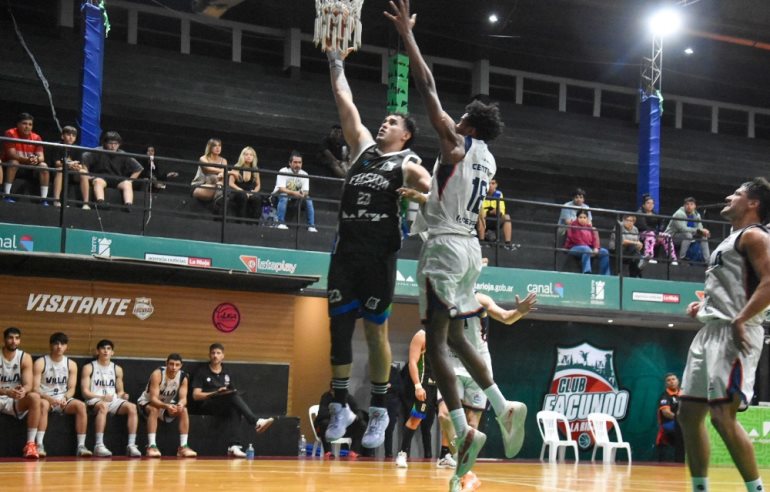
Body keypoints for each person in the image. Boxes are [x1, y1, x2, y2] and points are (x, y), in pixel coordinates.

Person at [386, 3, 526, 489]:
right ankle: (503, 405)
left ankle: (465, 431)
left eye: (460, 116)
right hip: (468, 248)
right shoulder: (488, 159)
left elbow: (427, 86)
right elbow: (453, 192)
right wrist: (423, 197)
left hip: (444, 249)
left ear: (467, 122)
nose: (454, 119)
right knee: (463, 336)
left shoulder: (456, 143)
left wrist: (408, 37)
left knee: (438, 341)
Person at [321, 16, 431, 454]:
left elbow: (432, 187)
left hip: (378, 254)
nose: (383, 124)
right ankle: (341, 406)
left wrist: (421, 195)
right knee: (338, 329)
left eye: (392, 121)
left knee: (374, 332)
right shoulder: (364, 149)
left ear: (406, 134)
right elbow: (344, 100)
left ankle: (381, 408)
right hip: (345, 251)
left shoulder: (407, 162)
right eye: (383, 120)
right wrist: (335, 60)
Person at [678, 178, 770, 492]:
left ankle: (756, 489)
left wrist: (741, 317)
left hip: (736, 332)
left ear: (753, 203)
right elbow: (735, 287)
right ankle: (700, 488)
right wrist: (705, 306)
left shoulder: (754, 235)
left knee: (721, 416)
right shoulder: (729, 240)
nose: (729, 197)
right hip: (712, 330)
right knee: (688, 414)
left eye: (737, 194)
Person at [436, 290, 537, 489]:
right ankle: (462, 466)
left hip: (477, 366)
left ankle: (461, 476)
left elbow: (506, 317)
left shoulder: (479, 299)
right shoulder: (440, 298)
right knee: (444, 415)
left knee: (472, 424)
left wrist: (519, 311)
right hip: (452, 365)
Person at [191, 343, 274, 457]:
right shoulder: (202, 371)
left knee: (235, 406)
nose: (215, 355)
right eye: (213, 353)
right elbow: (196, 395)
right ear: (209, 355)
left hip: (223, 404)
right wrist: (215, 393)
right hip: (207, 405)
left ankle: (234, 446)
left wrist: (226, 393)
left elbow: (232, 391)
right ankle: (256, 421)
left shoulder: (227, 371)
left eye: (218, 353)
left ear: (223, 356)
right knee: (232, 397)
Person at [32, 332, 92, 457]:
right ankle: (39, 444)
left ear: (66, 346)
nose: (59, 346)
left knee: (81, 406)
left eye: (63, 344)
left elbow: (71, 388)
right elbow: (35, 388)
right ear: (50, 345)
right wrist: (49, 398)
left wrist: (65, 398)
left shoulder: (71, 364)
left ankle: (81, 446)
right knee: (42, 404)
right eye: (56, 343)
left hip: (62, 398)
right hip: (45, 397)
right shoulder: (41, 362)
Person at [80, 339, 141, 457]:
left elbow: (120, 391)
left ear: (112, 352)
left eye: (108, 349)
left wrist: (123, 395)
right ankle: (98, 445)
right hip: (94, 399)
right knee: (103, 406)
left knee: (132, 407)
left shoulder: (117, 369)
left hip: (112, 400)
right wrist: (101, 397)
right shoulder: (89, 367)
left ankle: (131, 445)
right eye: (103, 348)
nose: (106, 351)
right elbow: (85, 392)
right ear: (97, 351)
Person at [136, 353, 197, 457]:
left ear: (181, 365)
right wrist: (167, 406)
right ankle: (151, 446)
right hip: (146, 402)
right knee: (154, 409)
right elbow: (153, 399)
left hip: (166, 404)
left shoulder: (183, 377)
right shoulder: (158, 374)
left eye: (177, 365)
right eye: (171, 364)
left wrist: (180, 405)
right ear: (166, 363)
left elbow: (183, 399)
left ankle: (183, 447)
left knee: (184, 410)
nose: (174, 367)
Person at [395, 329, 438, 468]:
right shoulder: (421, 336)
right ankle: (402, 453)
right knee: (416, 418)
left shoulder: (446, 337)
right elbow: (412, 362)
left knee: (447, 418)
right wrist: (418, 386)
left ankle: (446, 455)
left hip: (441, 385)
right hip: (425, 385)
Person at [0, 327, 42, 458]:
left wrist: (23, 391)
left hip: (13, 398)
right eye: (10, 338)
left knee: (35, 397)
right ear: (4, 339)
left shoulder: (25, 357)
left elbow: (29, 384)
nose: (14, 341)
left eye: (17, 338)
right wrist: (6, 391)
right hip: (2, 394)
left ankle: (30, 444)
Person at [82, 131, 143, 212]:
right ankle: (100, 202)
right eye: (110, 143)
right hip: (101, 178)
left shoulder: (123, 154)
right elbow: (84, 157)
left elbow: (139, 168)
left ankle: (128, 205)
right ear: (105, 143)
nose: (113, 146)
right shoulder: (98, 151)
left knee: (127, 184)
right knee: (98, 181)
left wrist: (130, 180)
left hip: (117, 179)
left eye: (116, 144)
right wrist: (87, 176)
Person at [2, 112, 50, 204]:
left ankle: (44, 199)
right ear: (18, 124)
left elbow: (41, 157)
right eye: (24, 123)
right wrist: (27, 160)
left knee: (44, 165)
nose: (27, 127)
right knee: (14, 162)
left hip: (30, 168)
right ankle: (6, 195)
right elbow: (11, 154)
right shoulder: (10, 133)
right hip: (12, 166)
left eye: (30, 124)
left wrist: (36, 159)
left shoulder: (36, 137)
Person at [314, 384, 368, 458]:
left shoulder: (348, 397)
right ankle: (328, 452)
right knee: (324, 423)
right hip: (330, 428)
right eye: (333, 391)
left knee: (362, 424)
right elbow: (321, 414)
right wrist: (335, 414)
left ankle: (354, 451)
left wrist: (354, 416)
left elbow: (358, 412)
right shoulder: (326, 397)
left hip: (344, 429)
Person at [272, 151, 316, 232]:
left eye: (299, 162)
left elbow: (306, 191)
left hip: (295, 198)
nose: (297, 165)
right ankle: (280, 223)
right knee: (284, 195)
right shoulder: (283, 171)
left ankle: (311, 226)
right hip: (278, 197)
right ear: (290, 163)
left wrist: (302, 194)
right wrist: (295, 193)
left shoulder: (304, 174)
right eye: (295, 162)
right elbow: (281, 189)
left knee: (308, 199)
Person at [52, 126, 91, 209]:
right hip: (59, 172)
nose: (71, 137)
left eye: (73, 135)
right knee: (60, 170)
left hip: (72, 172)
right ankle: (56, 200)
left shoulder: (77, 148)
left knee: (83, 172)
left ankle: (86, 203)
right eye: (68, 135)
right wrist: (68, 164)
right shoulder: (57, 146)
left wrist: (76, 166)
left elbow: (80, 164)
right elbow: (57, 163)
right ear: (62, 136)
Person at [564, 209, 611, 275]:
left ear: (587, 219)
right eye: (580, 217)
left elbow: (595, 239)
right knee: (586, 249)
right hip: (574, 247)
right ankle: (587, 272)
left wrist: (596, 248)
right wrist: (590, 250)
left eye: (584, 217)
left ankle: (605, 275)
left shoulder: (590, 227)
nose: (582, 219)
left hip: (589, 248)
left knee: (604, 252)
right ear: (577, 218)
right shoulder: (572, 226)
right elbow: (576, 239)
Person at [665, 196, 711, 262]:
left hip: (687, 235)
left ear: (695, 206)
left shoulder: (696, 214)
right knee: (688, 235)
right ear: (684, 206)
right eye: (687, 204)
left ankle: (708, 261)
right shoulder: (679, 213)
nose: (689, 206)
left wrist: (704, 232)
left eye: (691, 204)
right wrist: (698, 230)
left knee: (703, 236)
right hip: (671, 236)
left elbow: (700, 227)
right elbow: (683, 229)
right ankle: (681, 258)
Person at [637, 194, 678, 266]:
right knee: (650, 234)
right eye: (648, 203)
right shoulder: (639, 213)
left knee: (667, 236)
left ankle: (672, 258)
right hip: (641, 234)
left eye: (652, 203)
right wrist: (655, 234)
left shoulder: (654, 213)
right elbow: (643, 226)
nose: (650, 205)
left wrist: (659, 232)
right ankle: (649, 257)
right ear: (643, 204)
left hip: (654, 233)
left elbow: (662, 223)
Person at [476, 178, 514, 249]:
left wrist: (498, 211)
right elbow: (480, 208)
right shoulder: (481, 192)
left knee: (507, 217)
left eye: (493, 183)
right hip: (482, 219)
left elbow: (502, 209)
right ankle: (482, 242)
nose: (490, 185)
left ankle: (507, 244)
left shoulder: (499, 194)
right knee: (481, 214)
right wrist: (490, 212)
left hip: (495, 219)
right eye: (488, 183)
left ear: (496, 185)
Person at [227, 146, 261, 222]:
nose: (249, 156)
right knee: (242, 196)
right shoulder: (237, 167)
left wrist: (254, 192)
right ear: (243, 156)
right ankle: (240, 221)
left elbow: (258, 185)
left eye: (251, 155)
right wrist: (242, 190)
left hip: (250, 191)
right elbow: (231, 183)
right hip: (238, 190)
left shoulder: (255, 169)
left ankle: (254, 223)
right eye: (246, 154)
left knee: (257, 198)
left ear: (254, 157)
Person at [656, 372, 684, 463]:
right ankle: (680, 461)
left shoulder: (683, 394)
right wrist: (680, 419)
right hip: (669, 424)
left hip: (682, 423)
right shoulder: (665, 396)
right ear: (666, 384)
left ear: (678, 381)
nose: (671, 382)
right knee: (681, 431)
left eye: (673, 379)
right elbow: (666, 413)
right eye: (668, 380)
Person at [191, 138, 226, 204]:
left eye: (219, 145)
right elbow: (208, 169)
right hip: (200, 185)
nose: (218, 148)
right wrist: (223, 171)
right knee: (218, 183)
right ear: (210, 147)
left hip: (216, 185)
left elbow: (224, 174)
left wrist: (222, 173)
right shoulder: (203, 158)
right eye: (215, 146)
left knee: (221, 182)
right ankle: (219, 197)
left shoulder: (223, 160)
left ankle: (219, 198)